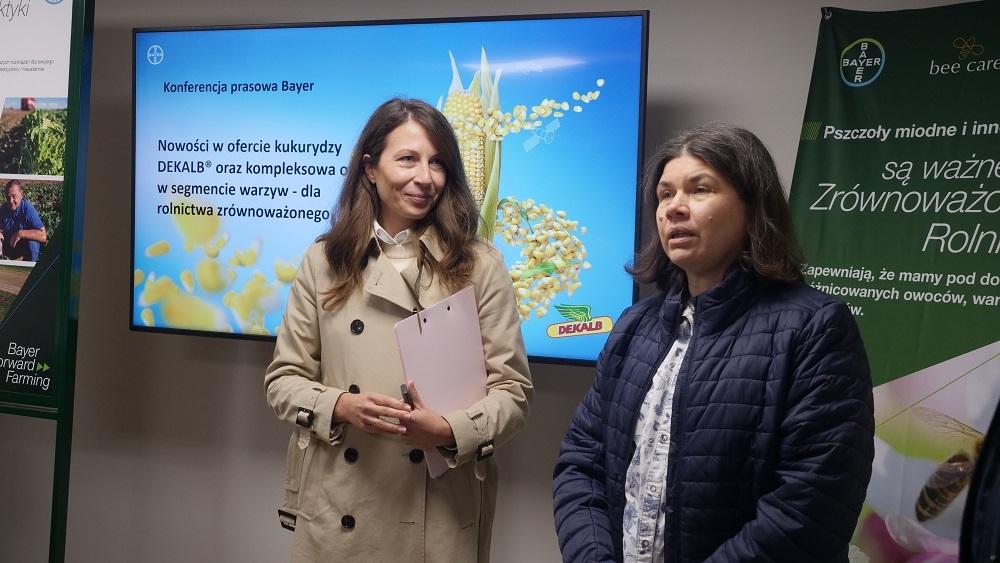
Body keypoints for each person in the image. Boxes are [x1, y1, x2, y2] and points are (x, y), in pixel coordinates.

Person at [553, 123, 874, 562]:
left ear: (752, 206)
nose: (673, 208)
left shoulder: (814, 327)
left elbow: (811, 508)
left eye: (699, 189)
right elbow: (581, 463)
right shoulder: (634, 325)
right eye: (665, 194)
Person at [265, 98, 532, 563]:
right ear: (370, 168)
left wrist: (448, 430)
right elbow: (283, 381)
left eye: (438, 162)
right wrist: (341, 405)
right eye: (407, 159)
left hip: (438, 510)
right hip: (341, 505)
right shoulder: (324, 260)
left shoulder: (480, 264)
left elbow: (513, 393)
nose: (425, 177)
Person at [0, 179, 47, 261]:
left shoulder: (28, 209)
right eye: (8, 197)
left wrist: (20, 233)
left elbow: (43, 236)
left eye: (14, 196)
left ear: (21, 194)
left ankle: (29, 267)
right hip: (9, 247)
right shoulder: (3, 209)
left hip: (25, 249)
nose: (11, 201)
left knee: (33, 244)